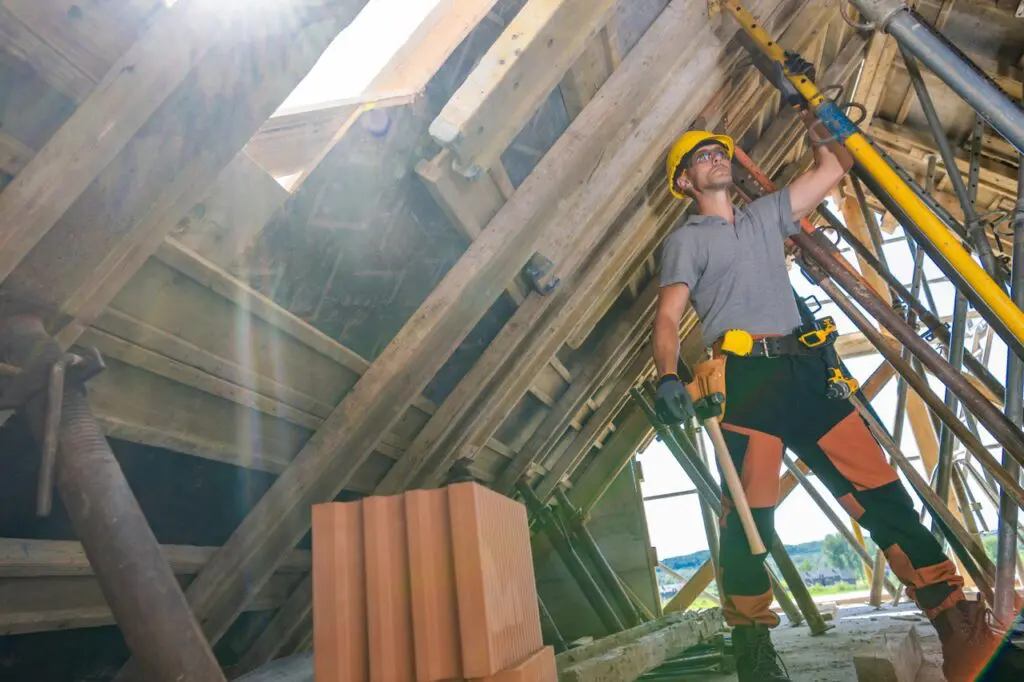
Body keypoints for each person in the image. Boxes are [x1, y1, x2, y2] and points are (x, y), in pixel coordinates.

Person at [653, 114, 1024, 682]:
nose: (715, 158)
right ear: (684, 182)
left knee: (882, 495)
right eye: (701, 157)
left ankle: (954, 625)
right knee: (750, 524)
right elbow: (669, 316)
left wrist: (820, 127)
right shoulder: (684, 241)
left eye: (719, 151)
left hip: (806, 374)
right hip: (745, 382)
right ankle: (753, 650)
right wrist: (668, 376)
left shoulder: (765, 214)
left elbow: (834, 168)